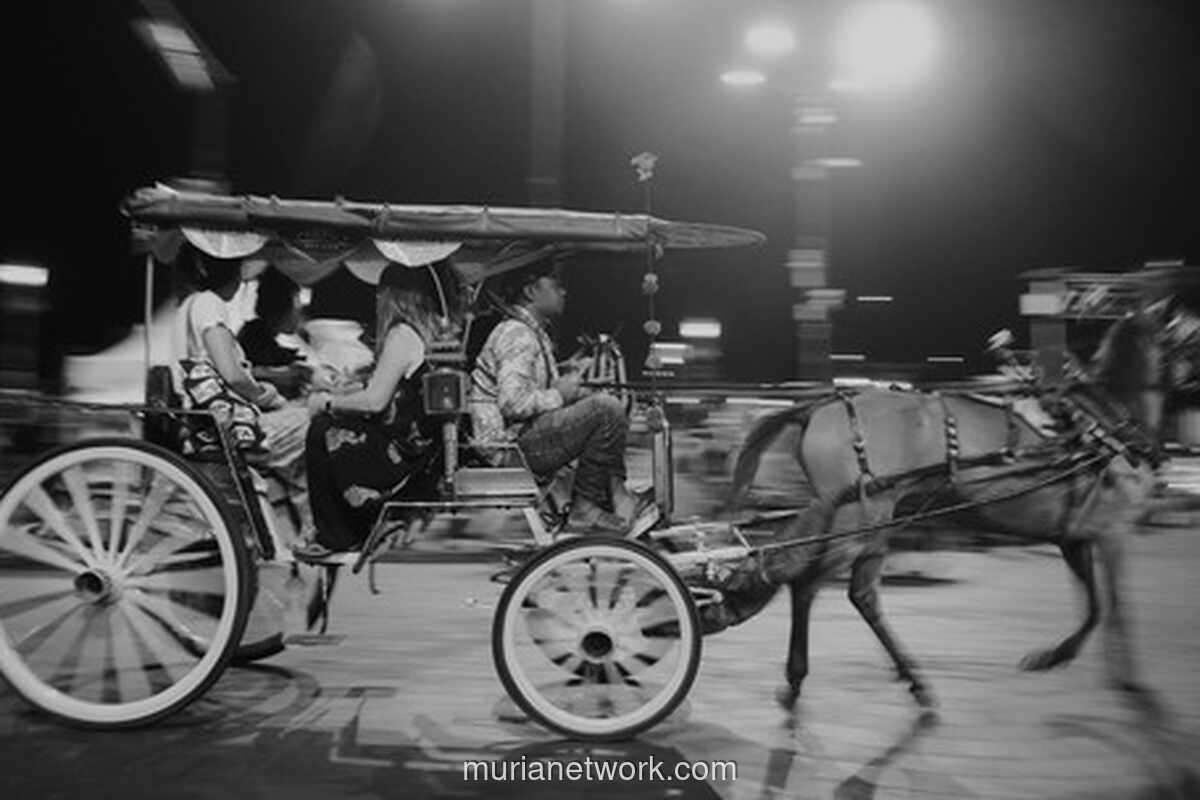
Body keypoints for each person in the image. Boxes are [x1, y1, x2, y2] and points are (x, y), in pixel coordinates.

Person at [469, 260, 657, 535]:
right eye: (556, 285)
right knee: (607, 409)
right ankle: (588, 506)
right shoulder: (517, 333)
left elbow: (535, 392)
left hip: (521, 439)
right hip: (509, 448)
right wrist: (561, 393)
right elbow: (513, 403)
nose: (564, 292)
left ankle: (613, 494)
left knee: (602, 404)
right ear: (531, 291)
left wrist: (576, 386)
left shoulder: (533, 332)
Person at [294, 262, 457, 559]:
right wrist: (347, 391)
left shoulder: (401, 334)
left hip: (399, 454)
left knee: (322, 430)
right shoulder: (422, 331)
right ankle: (351, 527)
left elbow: (375, 402)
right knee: (337, 424)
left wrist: (327, 402)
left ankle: (336, 536)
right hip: (416, 447)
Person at [172, 249, 309, 472]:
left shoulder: (189, 304)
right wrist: (266, 396)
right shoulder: (209, 303)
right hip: (223, 427)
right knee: (313, 424)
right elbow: (233, 375)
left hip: (203, 418)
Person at [237, 267, 312, 399]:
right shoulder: (254, 335)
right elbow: (245, 370)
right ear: (282, 305)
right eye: (297, 302)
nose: (300, 310)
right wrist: (284, 373)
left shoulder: (261, 333)